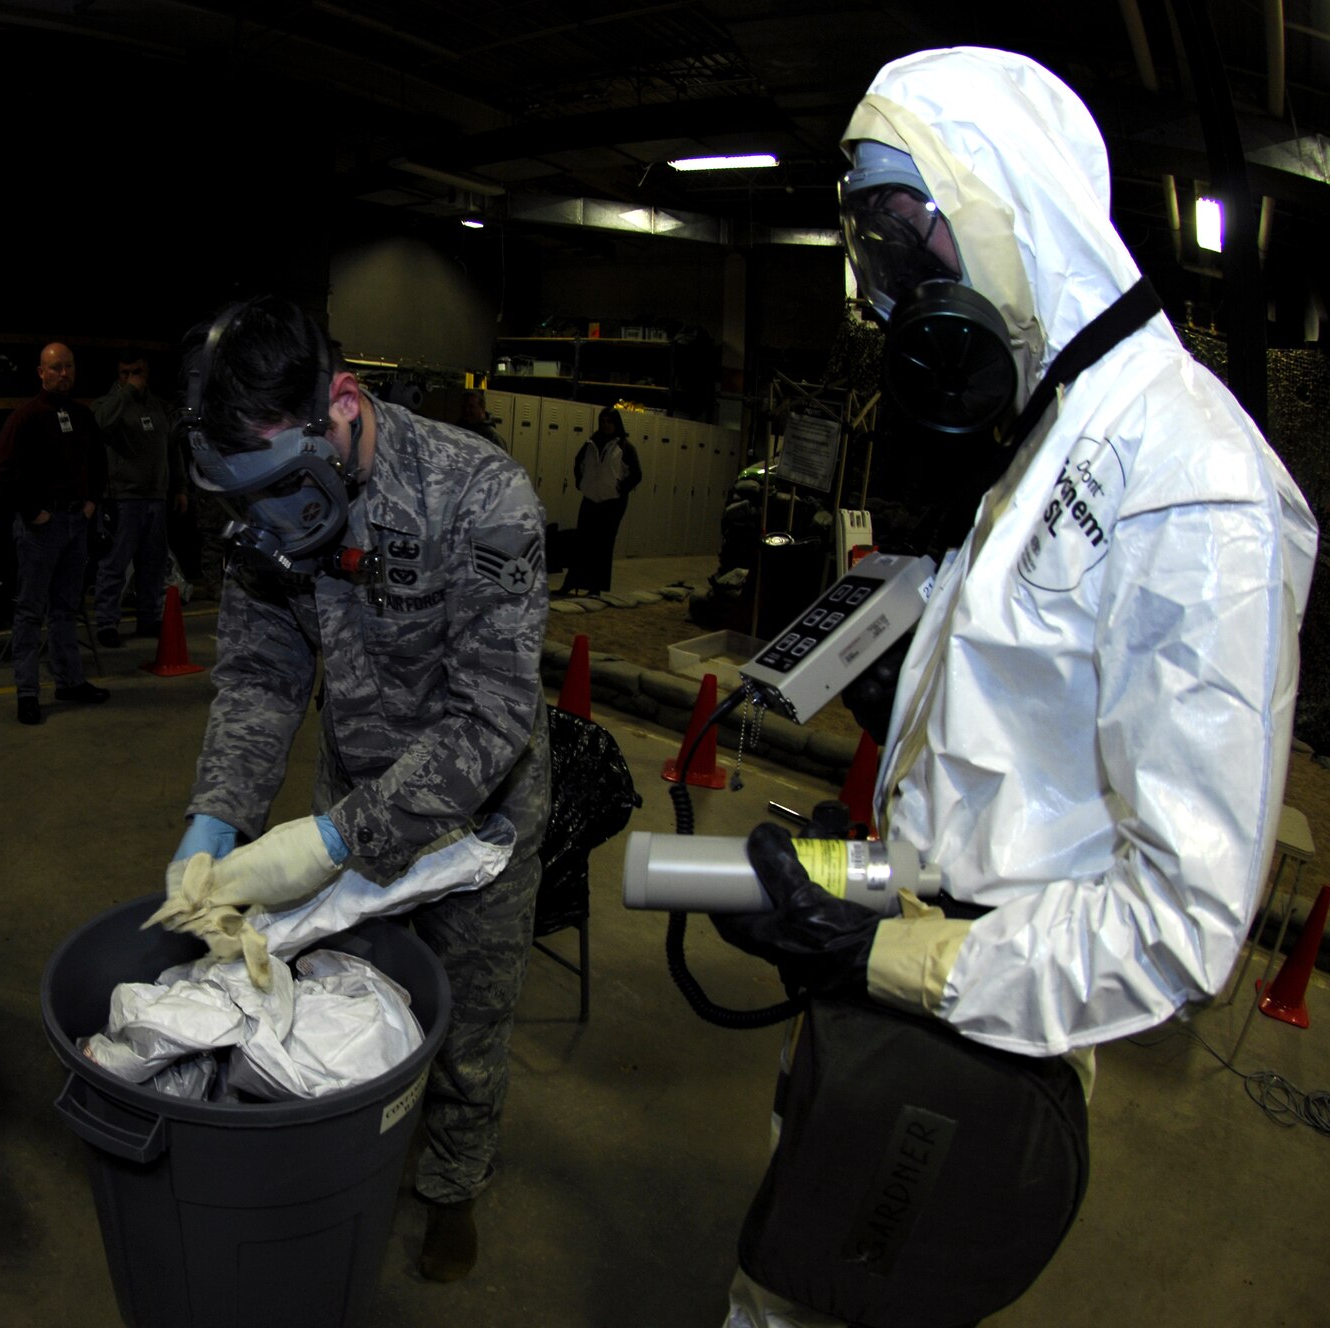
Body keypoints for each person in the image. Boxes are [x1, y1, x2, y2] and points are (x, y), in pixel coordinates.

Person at [714, 48, 1315, 1328]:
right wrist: (867, 862)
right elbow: (1021, 737)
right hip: (898, 968)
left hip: (984, 1016)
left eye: (894, 228)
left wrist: (890, 950)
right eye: (861, 239)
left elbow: (1178, 923)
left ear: (1004, 202)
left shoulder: (1192, 484)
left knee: (826, 1298)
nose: (881, 287)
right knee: (780, 1279)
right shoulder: (1053, 426)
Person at [162, 296, 548, 1283]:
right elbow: (258, 677)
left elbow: (492, 718)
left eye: (276, 486)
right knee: (351, 1002)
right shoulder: (264, 514)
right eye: (236, 499)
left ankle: (451, 1183)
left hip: (476, 816)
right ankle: (365, 1155)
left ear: (338, 401)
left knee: (466, 1016)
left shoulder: (477, 494)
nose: (258, 521)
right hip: (352, 785)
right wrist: (217, 819)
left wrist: (332, 843)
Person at [0, 341, 110, 724]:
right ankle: (27, 692)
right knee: (30, 611)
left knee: (66, 609)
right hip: (43, 528)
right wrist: (33, 511)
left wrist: (91, 502)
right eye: (55, 368)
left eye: (68, 367)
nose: (63, 374)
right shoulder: (26, 417)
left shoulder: (82, 416)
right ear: (41, 372)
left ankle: (69, 680)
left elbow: (99, 464)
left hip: (76, 524)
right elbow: (0, 473)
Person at [91, 352, 186, 647]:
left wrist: (180, 487)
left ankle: (149, 616)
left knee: (154, 564)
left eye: (137, 372)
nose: (130, 377)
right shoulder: (110, 405)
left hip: (155, 497)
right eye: (124, 372)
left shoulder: (159, 408)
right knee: (115, 564)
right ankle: (107, 622)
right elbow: (99, 424)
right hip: (123, 498)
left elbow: (174, 449)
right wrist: (128, 392)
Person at [559, 405, 640, 595]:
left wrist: (622, 488)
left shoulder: (625, 447)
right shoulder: (591, 442)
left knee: (603, 545)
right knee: (582, 542)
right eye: (603, 422)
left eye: (609, 422)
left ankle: (596, 587)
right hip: (591, 498)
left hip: (612, 502)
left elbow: (636, 474)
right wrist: (581, 482)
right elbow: (578, 463)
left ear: (616, 424)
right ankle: (572, 582)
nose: (606, 426)